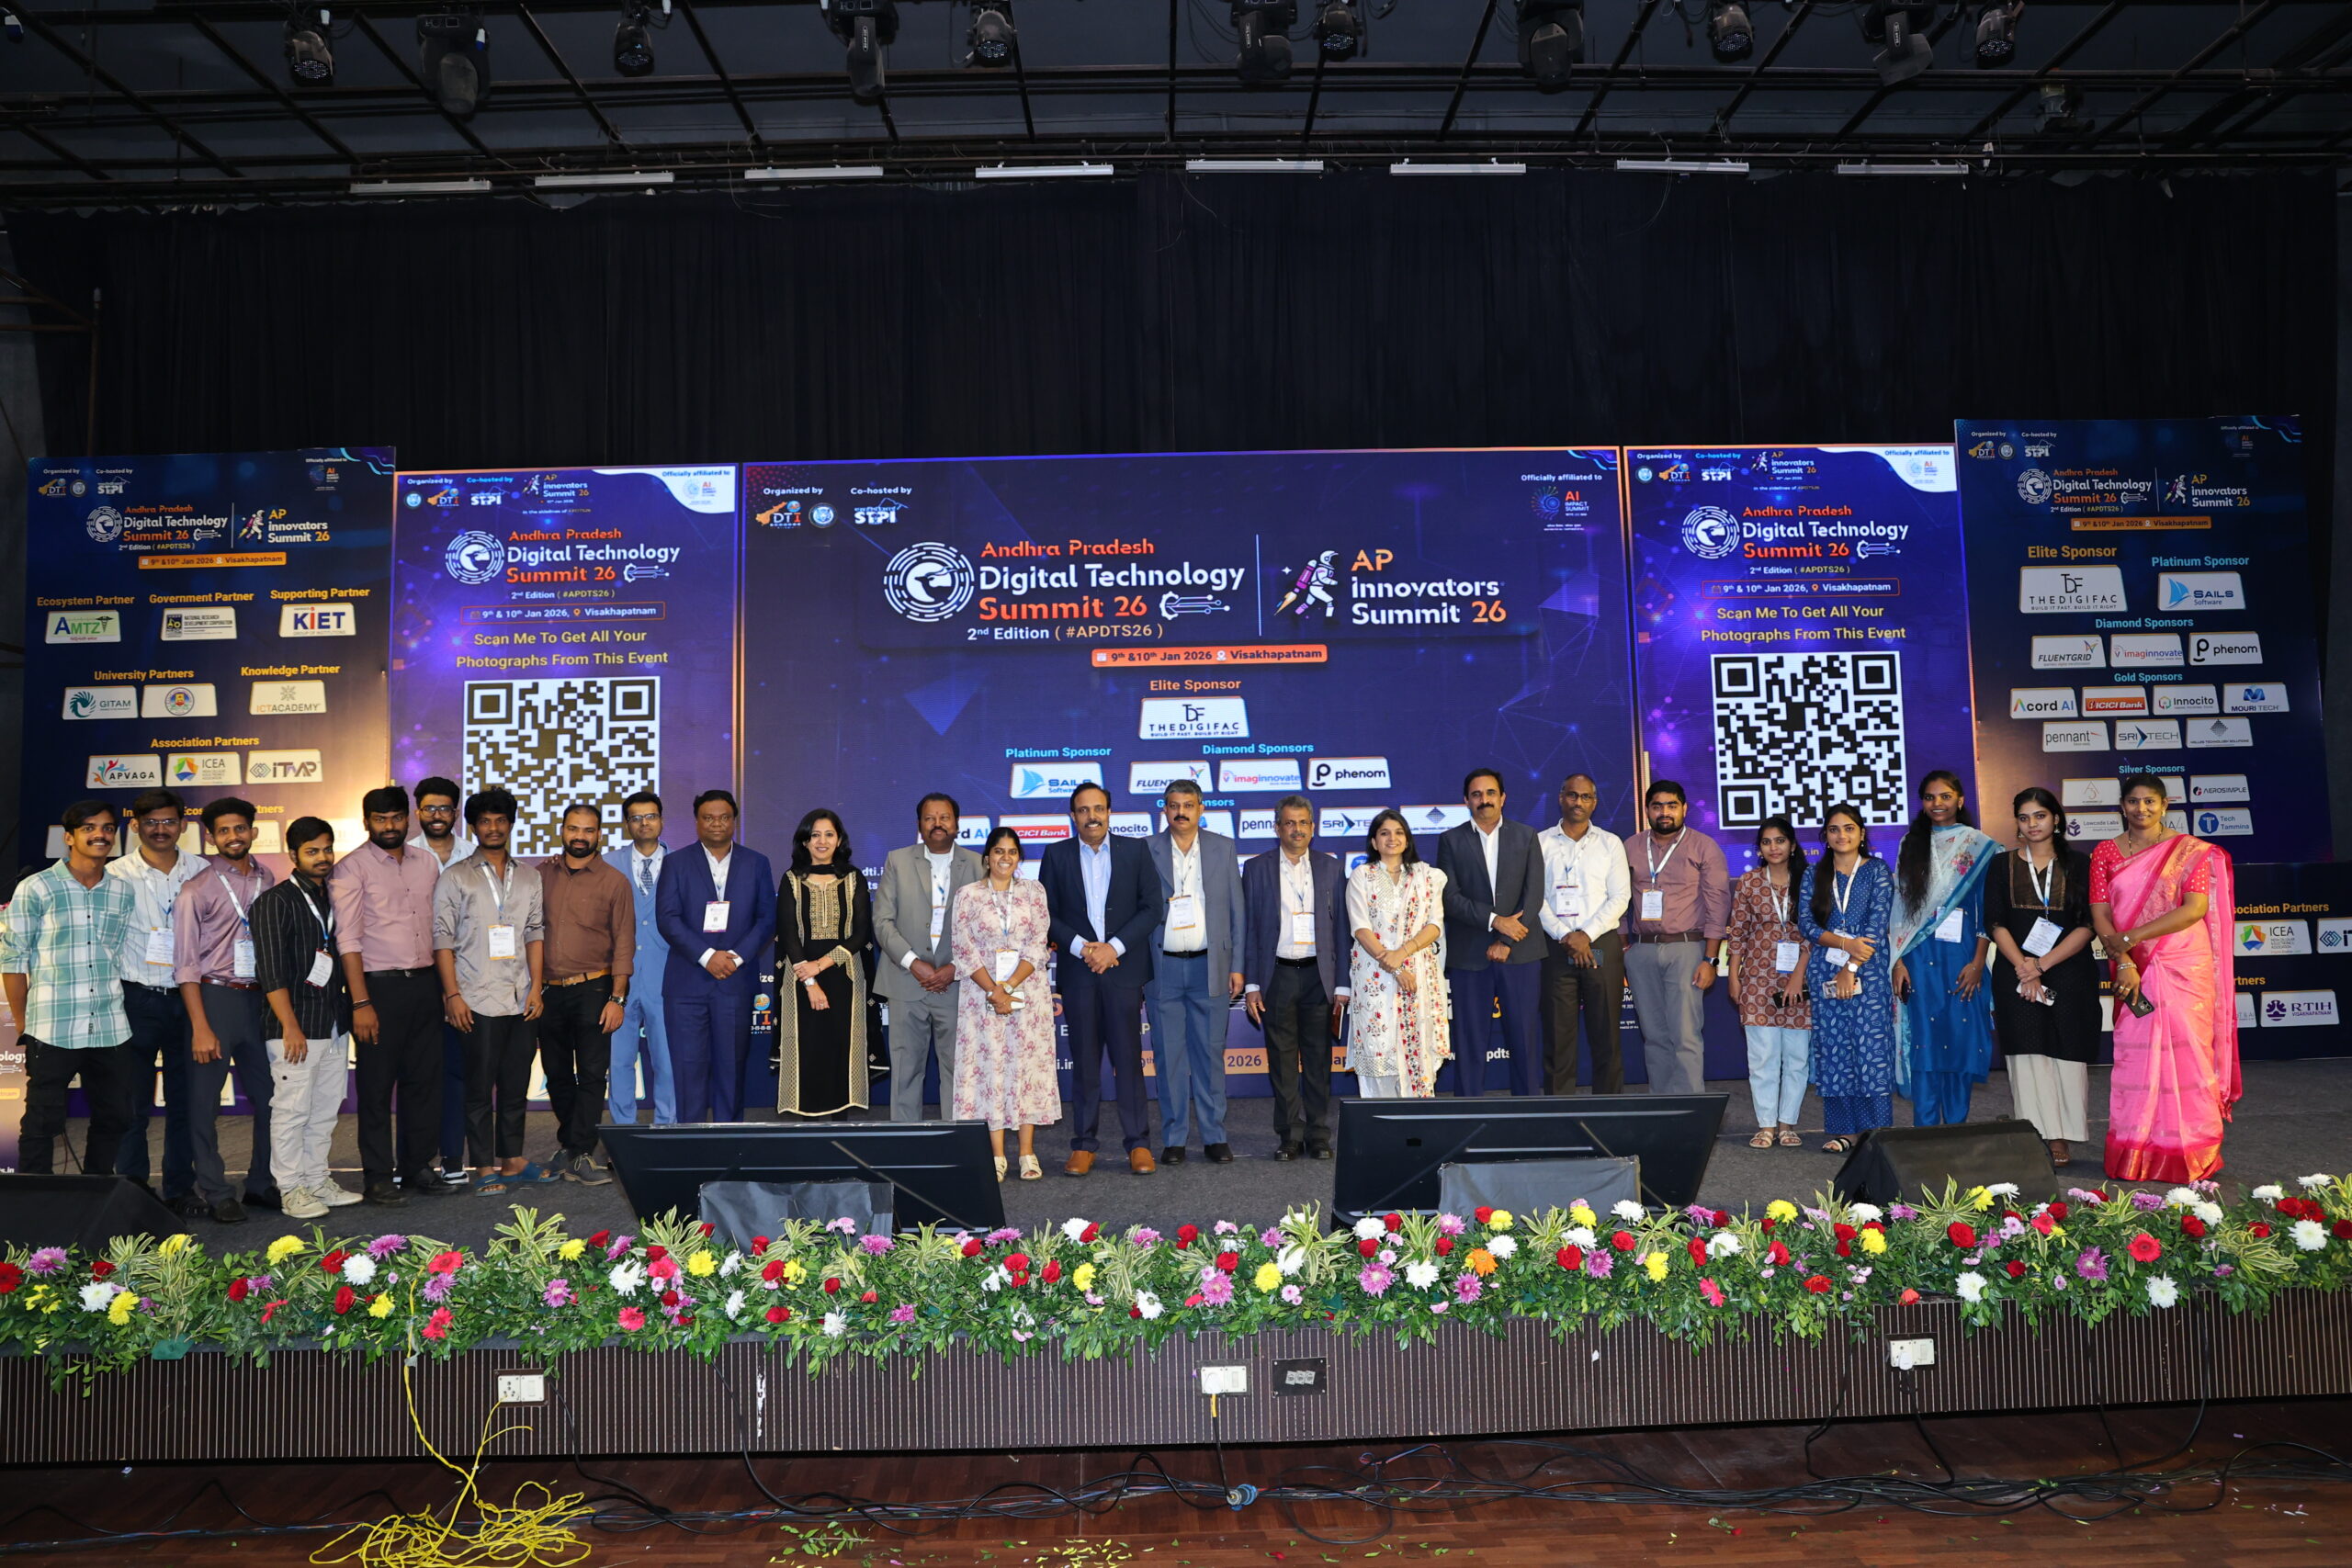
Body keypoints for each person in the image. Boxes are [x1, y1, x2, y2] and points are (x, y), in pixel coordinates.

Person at [2090, 774, 2238, 1183]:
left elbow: (2194, 909)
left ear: (2164, 804)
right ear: (2122, 806)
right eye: (2133, 802)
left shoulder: (2189, 851)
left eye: (2150, 801)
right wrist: (2124, 958)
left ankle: (2190, 1150)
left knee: (2190, 1054)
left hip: (2182, 961)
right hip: (2132, 963)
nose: (2141, 809)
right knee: (2136, 1055)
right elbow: (2100, 912)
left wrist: (2133, 936)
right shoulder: (2105, 851)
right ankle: (2136, 1148)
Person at [333, 785, 456, 1205]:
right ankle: (378, 1176)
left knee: (424, 1082)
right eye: (380, 819)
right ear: (366, 822)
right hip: (378, 988)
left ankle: (418, 1165)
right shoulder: (351, 869)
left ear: (409, 818)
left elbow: (439, 929)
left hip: (425, 983)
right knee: (376, 1087)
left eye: (396, 818)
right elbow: (348, 941)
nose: (389, 826)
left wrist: (445, 989)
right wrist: (360, 1002)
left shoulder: (427, 863)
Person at [3, 802, 138, 1179]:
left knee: (115, 1117)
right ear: (69, 837)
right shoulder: (37, 887)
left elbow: (118, 953)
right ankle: (37, 1199)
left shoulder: (122, 891)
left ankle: (96, 1193)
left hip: (110, 1026)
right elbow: (12, 960)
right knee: (42, 1122)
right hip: (52, 1026)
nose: (100, 835)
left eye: (107, 828)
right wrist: (23, 1023)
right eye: (89, 828)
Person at [1039, 782, 1164, 1176]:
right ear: (1073, 816)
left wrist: (1114, 948)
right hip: (1079, 972)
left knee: (1128, 1060)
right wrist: (1082, 948)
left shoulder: (1135, 851)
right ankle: (1083, 1144)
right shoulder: (1056, 855)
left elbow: (1152, 908)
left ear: (1109, 813)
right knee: (1085, 1062)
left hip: (1122, 970)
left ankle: (1138, 1143)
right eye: (1083, 810)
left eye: (1098, 809)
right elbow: (1046, 913)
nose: (1091, 816)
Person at [434, 787, 549, 1196]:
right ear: (474, 827)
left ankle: (512, 1159)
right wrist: (453, 996)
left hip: (521, 997)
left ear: (511, 824)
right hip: (475, 997)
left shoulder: (530, 876)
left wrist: (537, 988)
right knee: (479, 1088)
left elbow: (535, 932)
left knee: (516, 1085)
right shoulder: (455, 876)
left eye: (501, 820)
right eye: (485, 821)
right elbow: (442, 938)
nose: (493, 828)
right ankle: (484, 1166)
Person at [173, 796, 280, 1224]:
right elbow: (185, 965)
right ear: (210, 837)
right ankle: (217, 1192)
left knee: (271, 1098)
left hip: (260, 999)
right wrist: (200, 1025)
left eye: (240, 828)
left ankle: (260, 1183)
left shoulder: (267, 877)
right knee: (204, 1104)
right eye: (223, 831)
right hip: (213, 999)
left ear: (253, 831)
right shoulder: (195, 889)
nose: (233, 836)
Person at [1984, 787, 2099, 1168]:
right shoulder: (2001, 865)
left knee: (2065, 1050)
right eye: (2024, 818)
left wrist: (2041, 965)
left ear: (2056, 819)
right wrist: (2024, 967)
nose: (2032, 824)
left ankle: (2062, 1135)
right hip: (2015, 972)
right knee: (2027, 1053)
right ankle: (2034, 1133)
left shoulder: (2079, 864)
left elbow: (2087, 925)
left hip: (2068, 972)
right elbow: (1995, 923)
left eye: (2040, 816)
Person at [253, 817, 359, 1220]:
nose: (322, 857)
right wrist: (290, 1026)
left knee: (325, 1109)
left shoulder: (333, 897)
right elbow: (271, 972)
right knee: (292, 1111)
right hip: (294, 1026)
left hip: (332, 1022)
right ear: (293, 855)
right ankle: (291, 1189)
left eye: (327, 849)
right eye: (312, 851)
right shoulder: (274, 902)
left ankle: (316, 1180)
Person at [107, 786, 207, 1215]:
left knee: (185, 1101)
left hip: (190, 1001)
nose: (160, 829)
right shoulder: (115, 874)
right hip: (136, 999)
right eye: (150, 822)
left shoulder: (203, 871)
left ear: (183, 825)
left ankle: (180, 1189)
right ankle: (133, 1189)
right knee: (132, 1103)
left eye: (168, 821)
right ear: (135, 826)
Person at [655, 789, 776, 1122]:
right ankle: (692, 1142)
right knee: (688, 1071)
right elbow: (668, 918)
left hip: (735, 982)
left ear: (734, 820)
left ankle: (728, 1142)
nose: (717, 824)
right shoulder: (676, 863)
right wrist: (707, 956)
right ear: (697, 822)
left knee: (731, 1069)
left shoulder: (756, 862)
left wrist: (735, 957)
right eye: (708, 818)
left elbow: (767, 918)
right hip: (687, 984)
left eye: (724, 817)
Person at [1242, 795, 1351, 1159]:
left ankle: (1318, 1134)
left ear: (1313, 828)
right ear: (1277, 828)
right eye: (1289, 823)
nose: (1297, 829)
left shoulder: (1331, 867)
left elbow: (1342, 930)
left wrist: (1342, 982)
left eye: (1303, 822)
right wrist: (1252, 983)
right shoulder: (1256, 868)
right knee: (1282, 1060)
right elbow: (1250, 929)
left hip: (1320, 976)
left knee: (1319, 1059)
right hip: (1278, 975)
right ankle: (1289, 1134)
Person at [1889, 770, 1998, 1126]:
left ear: (1960, 800)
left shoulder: (1980, 846)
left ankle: (1955, 1130)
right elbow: (1900, 909)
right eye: (1930, 797)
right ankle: (1924, 1132)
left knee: (1959, 1040)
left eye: (1945, 796)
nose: (1937, 803)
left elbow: (1987, 910)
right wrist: (1898, 961)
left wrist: (1978, 962)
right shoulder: (1910, 844)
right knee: (1923, 1041)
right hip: (1918, 956)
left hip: (1962, 957)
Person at [1147, 779, 1247, 1163]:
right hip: (1163, 968)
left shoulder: (1223, 847)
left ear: (1201, 808)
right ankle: (1174, 1138)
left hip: (1211, 966)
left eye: (1188, 805)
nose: (1181, 812)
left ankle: (1214, 1135)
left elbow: (1237, 912)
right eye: (1174, 805)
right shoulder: (1147, 849)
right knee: (1168, 1056)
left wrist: (1237, 966)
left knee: (1209, 1054)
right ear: (1165, 809)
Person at [950, 828, 1058, 1179]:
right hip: (981, 996)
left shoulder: (1034, 892)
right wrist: (993, 991)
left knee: (1026, 1069)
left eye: (1012, 852)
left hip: (1027, 993)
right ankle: (996, 1156)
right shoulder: (968, 895)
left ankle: (1027, 1153)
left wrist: (1008, 987)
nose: (1005, 858)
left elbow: (1039, 944)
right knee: (989, 1070)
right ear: (987, 857)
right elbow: (963, 948)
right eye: (999, 851)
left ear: (1019, 858)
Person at [1437, 768, 1549, 1098]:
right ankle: (1469, 1115)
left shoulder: (1526, 836)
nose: (1483, 800)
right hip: (1469, 954)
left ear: (1503, 798)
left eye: (1490, 793)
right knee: (1469, 1041)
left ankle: (1527, 1114)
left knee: (1524, 1040)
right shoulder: (1451, 840)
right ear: (1466, 800)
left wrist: (1505, 938)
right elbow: (1450, 897)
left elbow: (1534, 895)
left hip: (1521, 951)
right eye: (1476, 794)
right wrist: (1494, 921)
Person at [872, 793, 983, 1121]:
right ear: (919, 824)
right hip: (906, 980)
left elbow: (984, 928)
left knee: (958, 1071)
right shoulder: (897, 860)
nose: (937, 824)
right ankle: (906, 1142)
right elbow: (882, 921)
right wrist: (913, 963)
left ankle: (955, 1140)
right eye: (929, 818)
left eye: (944, 817)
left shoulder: (978, 864)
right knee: (905, 1071)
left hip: (958, 984)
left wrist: (955, 967)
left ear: (957, 824)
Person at [537, 801, 632, 1183]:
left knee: (592, 1074)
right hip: (548, 991)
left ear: (599, 835)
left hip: (595, 988)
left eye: (588, 830)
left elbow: (624, 943)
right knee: (556, 1073)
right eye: (573, 829)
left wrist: (617, 998)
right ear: (562, 831)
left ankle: (580, 1152)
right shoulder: (540, 875)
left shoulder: (614, 881)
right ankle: (570, 1145)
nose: (580, 836)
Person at [1797, 805, 1896, 1155]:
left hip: (1867, 971)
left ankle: (1875, 1132)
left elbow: (1876, 926)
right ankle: (1845, 1132)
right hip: (1826, 968)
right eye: (1834, 829)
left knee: (1870, 1050)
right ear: (1825, 836)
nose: (1842, 835)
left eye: (1849, 828)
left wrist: (1850, 966)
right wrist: (1843, 945)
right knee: (1835, 1050)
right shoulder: (1814, 874)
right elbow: (1806, 924)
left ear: (1862, 833)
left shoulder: (1877, 871)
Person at [1622, 780, 1731, 1096]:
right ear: (1647, 810)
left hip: (1687, 949)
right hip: (1642, 950)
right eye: (1657, 806)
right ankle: (1661, 1105)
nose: (1664, 812)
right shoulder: (1631, 847)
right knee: (1654, 1035)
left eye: (1671, 805)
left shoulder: (1703, 847)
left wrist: (1710, 959)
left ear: (1684, 808)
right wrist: (1623, 945)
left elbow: (1718, 905)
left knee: (1685, 1034)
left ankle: (1690, 1108)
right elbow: (1617, 898)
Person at [775, 808, 875, 1118]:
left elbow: (861, 934)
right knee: (808, 1050)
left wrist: (820, 965)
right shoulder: (791, 879)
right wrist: (810, 980)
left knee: (840, 1051)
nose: (822, 841)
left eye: (829, 834)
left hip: (845, 979)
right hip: (801, 980)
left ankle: (839, 1128)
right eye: (815, 835)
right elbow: (788, 935)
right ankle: (807, 1133)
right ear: (804, 841)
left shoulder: (854, 878)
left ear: (839, 839)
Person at [1346, 809, 1452, 1098]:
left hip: (1418, 975)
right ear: (1374, 841)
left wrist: (1402, 954)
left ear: (1407, 839)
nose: (1392, 838)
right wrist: (1394, 967)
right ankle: (1380, 1119)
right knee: (1379, 1050)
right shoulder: (1362, 876)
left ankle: (1417, 1121)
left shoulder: (1427, 876)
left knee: (1420, 1052)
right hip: (1375, 974)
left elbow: (1435, 925)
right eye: (1384, 833)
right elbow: (1361, 928)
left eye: (1398, 832)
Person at [1536, 773, 1630, 1095]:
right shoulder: (1540, 843)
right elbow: (1535, 898)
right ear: (1561, 798)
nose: (1578, 802)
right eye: (1572, 795)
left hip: (1599, 945)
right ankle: (1560, 1114)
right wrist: (1566, 935)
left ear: (1595, 802)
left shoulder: (1610, 843)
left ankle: (1608, 1112)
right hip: (1556, 946)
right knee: (1557, 1037)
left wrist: (1585, 935)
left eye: (1586, 796)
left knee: (1607, 1036)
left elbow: (1620, 897)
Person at [1719, 817, 1810, 1148]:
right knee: (1762, 1056)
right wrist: (1734, 976)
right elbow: (1738, 933)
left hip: (1801, 978)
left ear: (1792, 845)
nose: (1774, 847)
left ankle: (1787, 1125)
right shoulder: (1749, 882)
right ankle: (1767, 1125)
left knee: (1797, 1058)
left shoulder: (1809, 880)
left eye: (1780, 840)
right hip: (1757, 979)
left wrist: (1798, 975)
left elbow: (1815, 932)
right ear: (1759, 848)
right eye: (1767, 842)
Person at [409, 775, 473, 1186]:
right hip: (415, 976)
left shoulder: (473, 854)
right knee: (417, 1073)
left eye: (445, 808)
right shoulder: (403, 855)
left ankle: (451, 1156)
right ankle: (413, 1160)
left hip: (466, 977)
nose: (437, 815)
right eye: (430, 808)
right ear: (418, 812)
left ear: (456, 812)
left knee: (456, 1072)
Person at [605, 790, 674, 1128]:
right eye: (636, 818)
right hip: (620, 979)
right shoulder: (607, 864)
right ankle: (623, 1132)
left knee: (667, 1060)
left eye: (650, 816)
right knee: (619, 1061)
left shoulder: (682, 863)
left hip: (668, 978)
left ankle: (668, 1126)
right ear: (626, 824)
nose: (644, 823)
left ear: (661, 820)